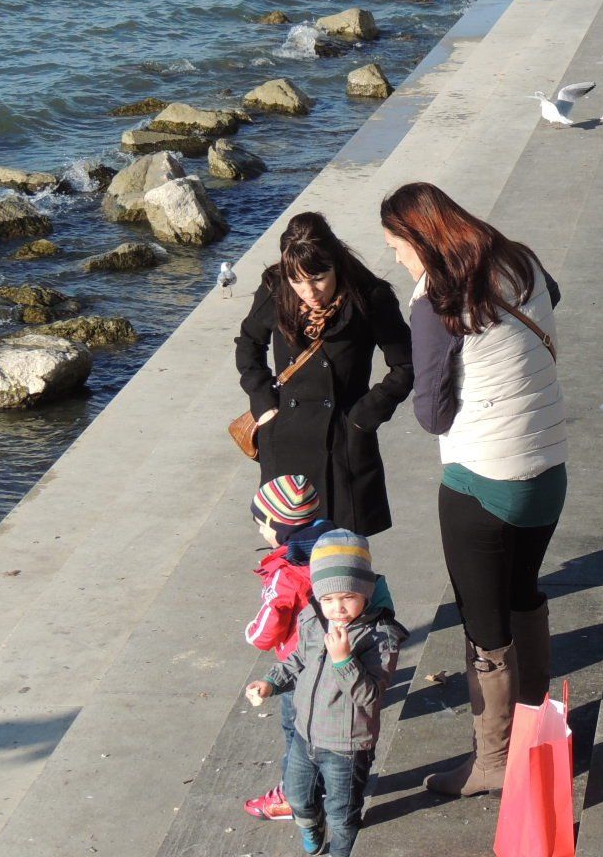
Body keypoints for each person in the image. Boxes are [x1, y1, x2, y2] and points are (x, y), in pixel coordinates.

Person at [380, 182, 568, 799]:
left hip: (481, 481)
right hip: (547, 470)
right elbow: (553, 298)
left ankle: (494, 760)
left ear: (418, 239)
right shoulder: (519, 259)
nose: (398, 261)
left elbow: (432, 415)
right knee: (523, 595)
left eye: (397, 248)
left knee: (486, 628)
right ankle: (536, 730)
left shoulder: (435, 300)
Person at [236, 212, 414, 539]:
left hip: (343, 441)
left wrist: (362, 417)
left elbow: (405, 364)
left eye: (318, 278)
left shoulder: (369, 296)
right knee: (289, 548)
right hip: (286, 437)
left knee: (342, 553)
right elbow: (249, 343)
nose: (309, 291)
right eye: (297, 281)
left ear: (336, 264)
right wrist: (264, 404)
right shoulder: (276, 288)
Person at [246, 530, 405, 857]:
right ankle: (310, 824)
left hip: (347, 746)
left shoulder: (381, 635)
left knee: (342, 813)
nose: (338, 608)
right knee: (297, 796)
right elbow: (297, 659)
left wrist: (343, 660)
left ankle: (341, 851)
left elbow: (370, 696)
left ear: (366, 592)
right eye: (328, 599)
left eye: (348, 597)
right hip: (304, 734)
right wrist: (271, 682)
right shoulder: (311, 618)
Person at [242, 475, 335, 825]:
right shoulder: (331, 545)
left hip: (300, 664)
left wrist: (251, 632)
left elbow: (267, 630)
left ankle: (293, 795)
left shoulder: (287, 573)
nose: (260, 531)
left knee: (297, 734)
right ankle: (328, 783)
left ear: (278, 528)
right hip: (336, 653)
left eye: (262, 524)